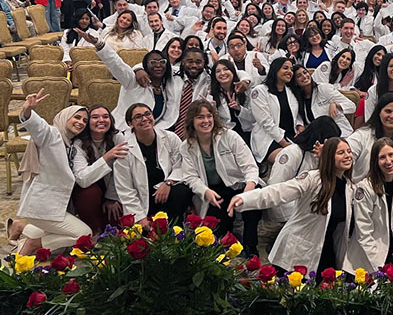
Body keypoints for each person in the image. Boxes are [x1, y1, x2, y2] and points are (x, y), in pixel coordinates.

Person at [228, 137, 356, 274]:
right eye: (341, 152)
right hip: (298, 250)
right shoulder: (313, 179)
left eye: (349, 151)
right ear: (330, 157)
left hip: (326, 250)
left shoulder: (349, 187)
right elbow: (279, 192)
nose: (347, 155)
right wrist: (245, 198)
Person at [7, 92, 92, 254]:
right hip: (42, 205)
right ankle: (32, 243)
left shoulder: (71, 144)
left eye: (84, 121)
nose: (81, 122)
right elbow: (39, 127)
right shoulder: (53, 135)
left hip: (53, 205)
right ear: (64, 117)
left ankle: (23, 228)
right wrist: (28, 111)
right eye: (77, 117)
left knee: (60, 236)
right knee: (84, 234)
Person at [181, 100, 262, 257]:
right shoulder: (186, 146)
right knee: (216, 236)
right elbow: (191, 177)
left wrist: (247, 191)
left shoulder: (229, 136)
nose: (206, 121)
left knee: (252, 204)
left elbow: (250, 167)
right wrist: (205, 192)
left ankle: (251, 245)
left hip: (240, 186)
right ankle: (229, 237)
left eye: (209, 116)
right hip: (215, 192)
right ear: (192, 121)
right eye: (200, 117)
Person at [114, 103, 194, 227]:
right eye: (138, 117)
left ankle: (175, 232)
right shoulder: (124, 150)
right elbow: (125, 190)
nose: (145, 119)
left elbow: (182, 165)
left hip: (167, 195)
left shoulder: (170, 138)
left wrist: (168, 182)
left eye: (147, 114)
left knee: (181, 192)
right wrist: (140, 217)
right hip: (142, 202)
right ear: (130, 124)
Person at [344, 138, 393, 273]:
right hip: (369, 259)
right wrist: (380, 267)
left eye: (391, 155)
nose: (388, 161)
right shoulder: (364, 188)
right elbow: (364, 232)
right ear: (375, 162)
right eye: (382, 157)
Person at [266, 116, 342, 224]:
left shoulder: (321, 154)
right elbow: (275, 184)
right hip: (286, 203)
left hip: (307, 200)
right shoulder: (292, 152)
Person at [71, 105, 127, 233]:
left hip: (114, 189)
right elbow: (82, 179)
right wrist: (107, 157)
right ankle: (93, 230)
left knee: (115, 225)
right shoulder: (79, 143)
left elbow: (122, 172)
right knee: (89, 193)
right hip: (89, 191)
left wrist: (111, 198)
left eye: (105, 117)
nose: (101, 120)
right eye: (95, 117)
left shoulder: (118, 138)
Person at [250, 57, 303, 166]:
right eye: (285, 68)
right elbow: (266, 122)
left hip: (290, 135)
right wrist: (284, 143)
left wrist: (299, 125)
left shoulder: (290, 91)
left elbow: (295, 113)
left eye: (291, 69)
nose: (289, 71)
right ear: (275, 69)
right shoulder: (259, 91)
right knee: (289, 161)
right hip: (269, 138)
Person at [292, 65, 356, 137]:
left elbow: (352, 106)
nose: (304, 76)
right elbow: (298, 114)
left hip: (339, 134)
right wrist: (299, 125)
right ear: (295, 82)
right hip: (317, 136)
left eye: (305, 72)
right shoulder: (298, 97)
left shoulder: (323, 88)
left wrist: (335, 104)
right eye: (299, 76)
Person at [208, 59, 255, 146]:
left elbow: (254, 117)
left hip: (249, 133)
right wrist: (213, 110)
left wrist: (239, 109)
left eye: (226, 69)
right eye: (218, 71)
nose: (222, 73)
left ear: (233, 71)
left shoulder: (245, 90)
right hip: (226, 136)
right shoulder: (212, 95)